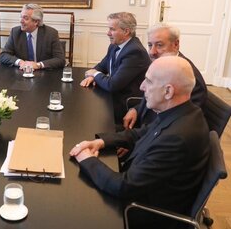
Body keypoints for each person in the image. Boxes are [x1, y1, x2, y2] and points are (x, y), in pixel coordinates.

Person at [70, 56, 210, 229]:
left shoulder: (178, 137)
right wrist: (102, 142)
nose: (142, 87)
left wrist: (87, 159)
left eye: (149, 82)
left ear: (168, 91)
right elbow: (143, 132)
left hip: (146, 213)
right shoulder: (182, 112)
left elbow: (124, 187)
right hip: (147, 190)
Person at [123, 23, 207, 129]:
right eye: (150, 45)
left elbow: (177, 123)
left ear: (176, 45)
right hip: (143, 126)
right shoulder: (162, 64)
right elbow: (153, 96)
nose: (152, 52)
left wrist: (138, 143)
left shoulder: (187, 76)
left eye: (159, 45)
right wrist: (136, 109)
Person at [79, 12, 150, 124]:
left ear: (126, 31)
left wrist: (95, 74)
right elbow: (102, 65)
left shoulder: (135, 52)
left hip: (125, 105)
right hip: (113, 97)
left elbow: (113, 85)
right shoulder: (115, 45)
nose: (108, 33)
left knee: (85, 115)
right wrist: (93, 74)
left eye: (112, 29)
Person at [0, 3, 65, 70]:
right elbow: (4, 55)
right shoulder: (15, 32)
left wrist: (38, 65)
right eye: (21, 17)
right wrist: (20, 62)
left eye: (25, 18)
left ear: (36, 21)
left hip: (44, 75)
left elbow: (60, 59)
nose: (21, 21)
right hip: (21, 74)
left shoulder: (51, 34)